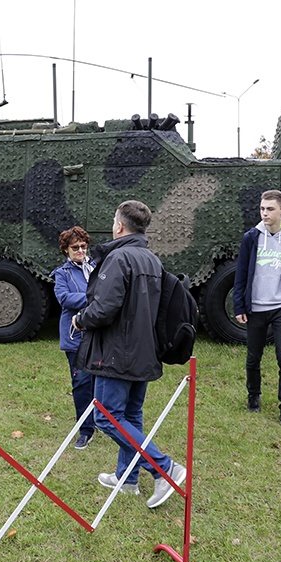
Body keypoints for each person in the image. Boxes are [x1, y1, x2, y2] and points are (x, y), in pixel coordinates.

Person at [72, 200, 185, 509]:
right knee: (130, 415)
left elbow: (104, 308)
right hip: (144, 350)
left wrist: (80, 320)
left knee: (106, 417)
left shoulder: (119, 257)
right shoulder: (151, 259)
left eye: (112, 221)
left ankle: (165, 469)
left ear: (119, 226)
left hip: (117, 353)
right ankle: (127, 479)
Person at [233, 189, 281, 426]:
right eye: (262, 209)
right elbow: (241, 274)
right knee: (253, 357)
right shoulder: (251, 238)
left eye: (270, 209)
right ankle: (253, 396)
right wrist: (239, 306)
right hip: (255, 308)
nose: (265, 213)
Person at [51, 226, 97, 450]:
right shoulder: (62, 273)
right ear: (66, 250)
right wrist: (93, 298)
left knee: (100, 381)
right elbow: (64, 298)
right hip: (75, 336)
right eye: (75, 247)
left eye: (83, 246)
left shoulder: (96, 268)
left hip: (99, 334)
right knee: (81, 382)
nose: (80, 250)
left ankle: (101, 422)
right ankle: (85, 430)